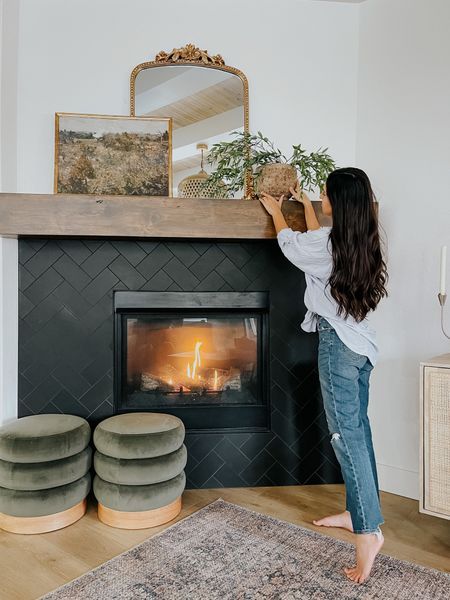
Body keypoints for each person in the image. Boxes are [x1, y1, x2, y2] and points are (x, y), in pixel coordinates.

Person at [259, 167, 388, 584]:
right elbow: (318, 239)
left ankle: (368, 533)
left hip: (337, 346)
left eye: (325, 193)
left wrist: (276, 210)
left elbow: (292, 246)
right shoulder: (359, 242)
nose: (320, 196)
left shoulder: (322, 245)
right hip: (362, 348)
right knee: (359, 434)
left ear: (339, 201)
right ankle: (356, 513)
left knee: (344, 437)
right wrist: (307, 208)